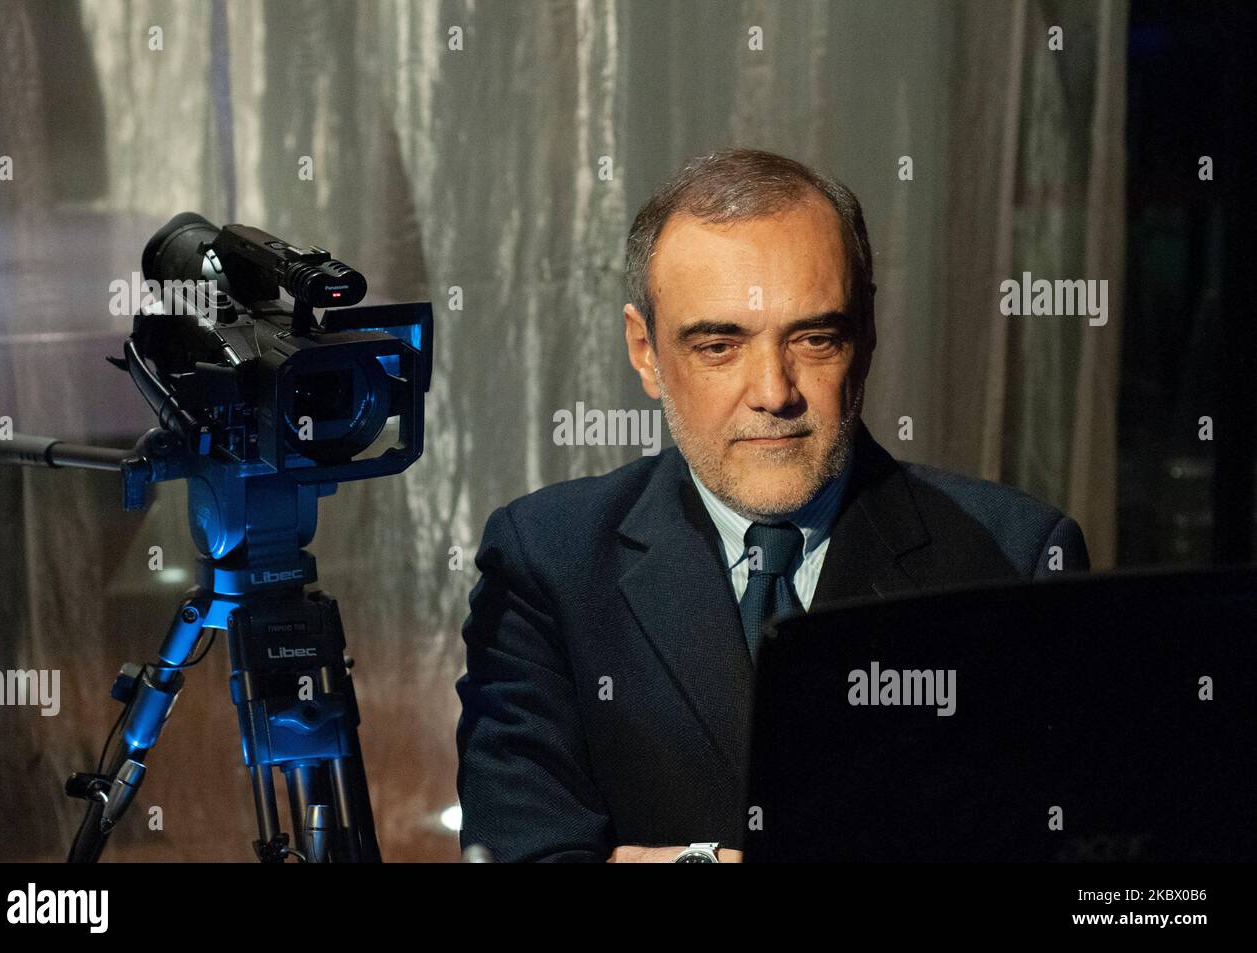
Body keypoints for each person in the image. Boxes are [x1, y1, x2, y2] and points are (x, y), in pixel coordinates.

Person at [455, 147, 1089, 862]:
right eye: (720, 345)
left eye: (815, 338)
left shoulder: (1016, 561)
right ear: (644, 351)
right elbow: (521, 851)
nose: (774, 391)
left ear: (868, 333)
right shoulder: (547, 560)